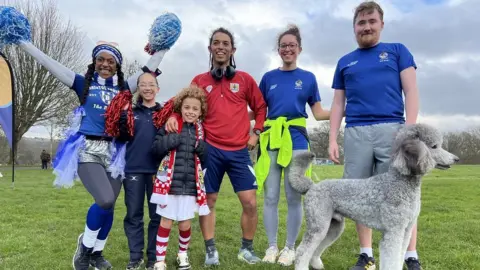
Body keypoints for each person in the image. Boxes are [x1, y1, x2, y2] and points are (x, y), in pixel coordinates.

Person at [16, 39, 169, 270]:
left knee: (109, 205)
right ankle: (85, 248)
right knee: (104, 199)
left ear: (117, 65)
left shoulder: (123, 87)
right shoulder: (81, 83)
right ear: (94, 62)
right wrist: (22, 41)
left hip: (115, 153)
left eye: (111, 61)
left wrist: (165, 44)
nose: (105, 64)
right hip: (88, 149)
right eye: (101, 59)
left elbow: (149, 68)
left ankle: (97, 254)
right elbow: (49, 63)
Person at [328, 2, 421, 270]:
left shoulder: (397, 51)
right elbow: (337, 104)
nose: (366, 26)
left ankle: (409, 255)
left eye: (371, 21)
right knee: (360, 195)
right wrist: (333, 138)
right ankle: (366, 254)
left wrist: (409, 131)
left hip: (393, 130)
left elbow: (411, 91)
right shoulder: (345, 61)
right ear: (354, 27)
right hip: (356, 132)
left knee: (401, 196)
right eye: (361, 22)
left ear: (381, 24)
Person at [164, 27, 267, 265]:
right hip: (210, 150)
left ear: (233, 49)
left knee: (250, 202)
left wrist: (257, 132)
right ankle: (211, 250)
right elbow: (184, 106)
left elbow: (261, 107)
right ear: (210, 48)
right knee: (208, 201)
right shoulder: (200, 81)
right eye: (216, 43)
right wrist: (173, 117)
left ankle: (246, 249)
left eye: (226, 43)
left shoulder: (244, 79)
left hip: (239, 151)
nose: (221, 47)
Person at [256, 24, 330, 267]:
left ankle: (289, 248)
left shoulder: (308, 78)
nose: (288, 49)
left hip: (297, 140)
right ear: (279, 50)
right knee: (270, 196)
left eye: (292, 45)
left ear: (299, 49)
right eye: (283, 45)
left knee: (294, 197)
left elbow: (318, 113)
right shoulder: (268, 78)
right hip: (272, 140)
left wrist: (348, 109)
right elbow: (258, 111)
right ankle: (271, 246)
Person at [150, 85, 209, 270]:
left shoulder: (201, 131)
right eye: (187, 107)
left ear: (200, 112)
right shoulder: (171, 125)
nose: (190, 112)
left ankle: (182, 255)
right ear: (180, 108)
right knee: (166, 222)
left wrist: (202, 149)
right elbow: (155, 149)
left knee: (184, 223)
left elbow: (204, 159)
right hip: (169, 185)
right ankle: (160, 260)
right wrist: (170, 141)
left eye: (195, 109)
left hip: (191, 186)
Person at [118, 72, 163, 270]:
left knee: (157, 217)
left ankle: (153, 258)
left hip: (158, 172)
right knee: (134, 215)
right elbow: (119, 135)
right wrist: (122, 115)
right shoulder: (129, 111)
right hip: (133, 170)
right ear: (138, 88)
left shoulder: (165, 113)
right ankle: (135, 257)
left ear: (157, 88)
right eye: (142, 84)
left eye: (151, 84)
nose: (147, 87)